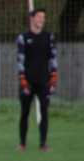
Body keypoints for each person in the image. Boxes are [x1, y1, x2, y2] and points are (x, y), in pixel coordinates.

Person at [17, 8, 58, 152]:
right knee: (25, 113)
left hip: (44, 82)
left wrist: (54, 75)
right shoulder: (23, 37)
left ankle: (43, 144)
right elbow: (20, 60)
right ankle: (22, 143)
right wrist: (22, 78)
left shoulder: (49, 37)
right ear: (32, 19)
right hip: (27, 82)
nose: (42, 20)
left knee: (44, 112)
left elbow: (53, 57)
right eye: (39, 17)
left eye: (43, 17)